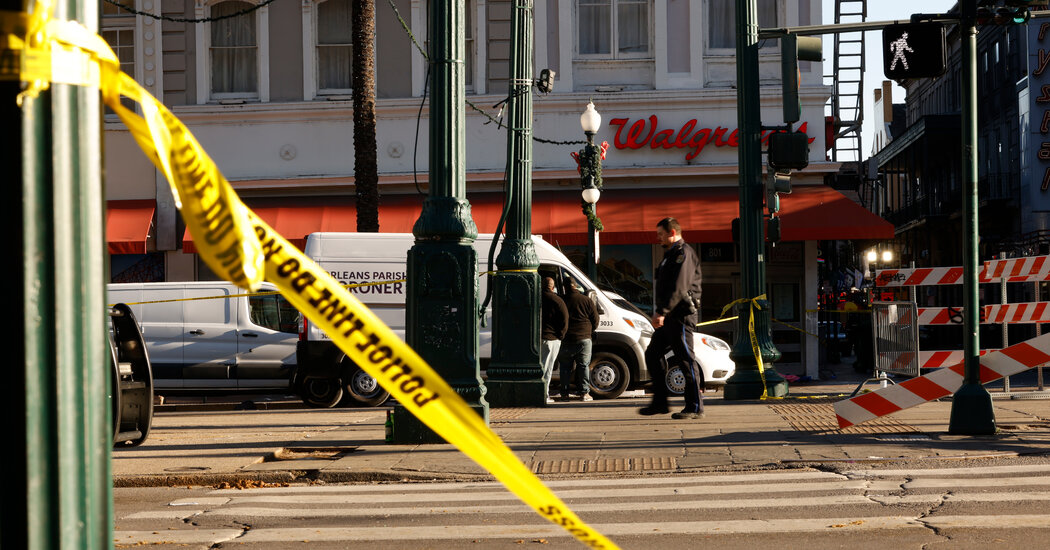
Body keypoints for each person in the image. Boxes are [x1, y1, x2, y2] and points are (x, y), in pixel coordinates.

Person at [639, 217, 704, 420]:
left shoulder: (683, 254)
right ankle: (660, 402)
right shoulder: (670, 255)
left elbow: (679, 287)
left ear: (672, 233)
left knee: (685, 359)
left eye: (660, 234)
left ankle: (695, 407)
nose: (658, 238)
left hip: (681, 316)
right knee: (652, 354)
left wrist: (662, 312)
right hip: (669, 316)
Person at [557, 276, 599, 402]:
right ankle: (584, 393)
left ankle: (564, 394)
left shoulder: (561, 300)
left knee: (565, 367)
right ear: (576, 286)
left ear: (564, 287)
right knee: (583, 366)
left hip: (566, 338)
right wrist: (589, 331)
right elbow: (595, 320)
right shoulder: (586, 300)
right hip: (584, 337)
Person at [540, 276, 569, 404]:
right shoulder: (557, 300)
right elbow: (565, 319)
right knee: (547, 368)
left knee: (539, 368)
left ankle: (538, 393)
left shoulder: (536, 298)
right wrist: (561, 335)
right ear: (552, 287)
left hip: (537, 338)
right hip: (552, 339)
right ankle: (544, 395)